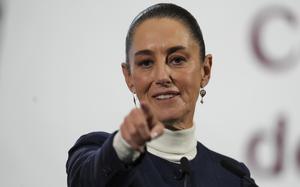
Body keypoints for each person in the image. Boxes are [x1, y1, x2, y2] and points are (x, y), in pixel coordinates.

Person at [66, 3, 257, 187]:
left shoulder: (234, 179)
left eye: (177, 60)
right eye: (146, 63)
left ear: (205, 71)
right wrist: (123, 147)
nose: (161, 77)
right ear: (129, 77)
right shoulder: (95, 151)